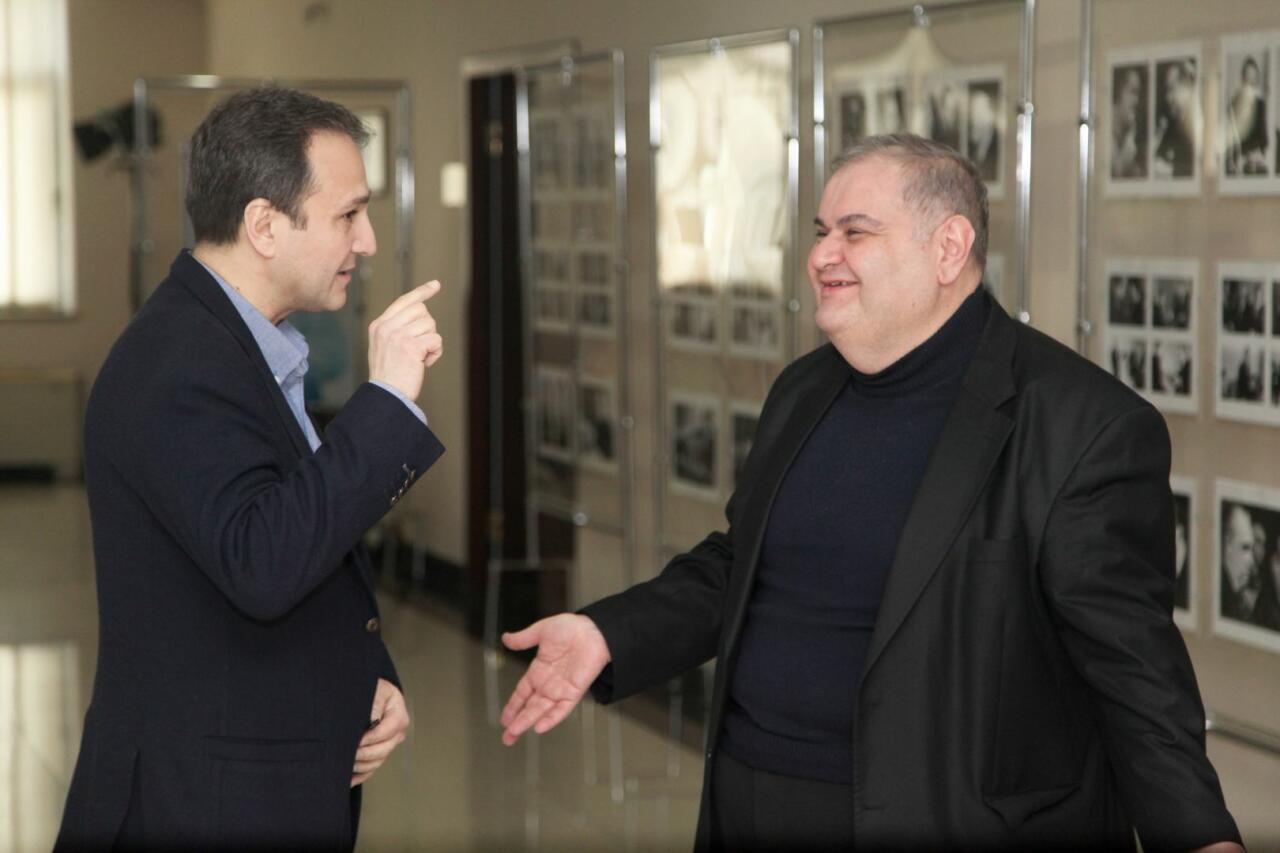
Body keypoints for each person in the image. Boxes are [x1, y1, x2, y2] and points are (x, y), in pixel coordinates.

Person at [498, 134, 1242, 850]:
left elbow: (1132, 670)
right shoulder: (802, 391)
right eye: (822, 232)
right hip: (752, 800)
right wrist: (607, 634)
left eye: (855, 232)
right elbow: (740, 568)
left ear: (948, 248)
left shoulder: (1082, 425)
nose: (822, 255)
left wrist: (1198, 834)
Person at [56, 87, 445, 851]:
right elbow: (263, 561)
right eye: (348, 215)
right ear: (264, 225)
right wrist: (389, 400)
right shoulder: (181, 366)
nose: (367, 241)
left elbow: (295, 528)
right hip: (201, 802)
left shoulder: (241, 345)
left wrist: (367, 673)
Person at [1226, 56, 1268, 176]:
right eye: (1247, 79)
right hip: (1238, 159)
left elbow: (1263, 137)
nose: (1250, 85)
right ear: (1242, 79)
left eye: (1253, 81)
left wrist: (1259, 154)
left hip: (1255, 159)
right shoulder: (1233, 104)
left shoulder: (1260, 105)